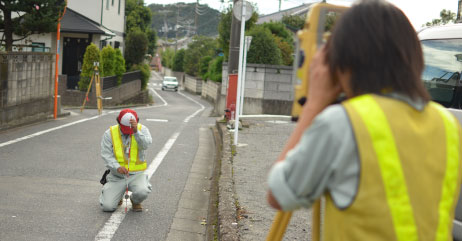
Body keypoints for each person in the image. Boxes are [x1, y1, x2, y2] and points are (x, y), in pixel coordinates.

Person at [266, 0, 462, 240]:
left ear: (345, 61)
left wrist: (314, 105)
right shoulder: (447, 124)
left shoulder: (344, 123)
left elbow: (278, 194)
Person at [99, 109, 152, 212]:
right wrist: (117, 167)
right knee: (107, 207)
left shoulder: (143, 129)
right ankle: (114, 195)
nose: (128, 132)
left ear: (137, 121)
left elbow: (145, 145)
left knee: (143, 191)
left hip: (136, 175)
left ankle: (135, 201)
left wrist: (136, 131)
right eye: (125, 129)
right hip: (116, 175)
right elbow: (106, 154)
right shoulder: (109, 133)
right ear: (118, 122)